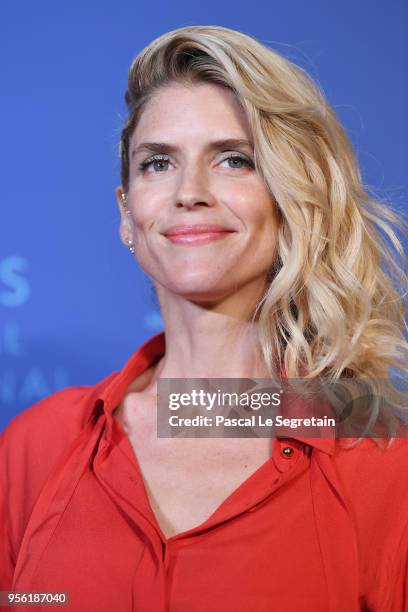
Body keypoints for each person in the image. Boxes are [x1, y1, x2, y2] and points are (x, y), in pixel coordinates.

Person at [1, 25, 407, 612]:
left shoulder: (382, 469)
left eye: (233, 160)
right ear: (126, 212)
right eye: (158, 163)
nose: (189, 192)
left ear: (292, 197)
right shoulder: (35, 450)